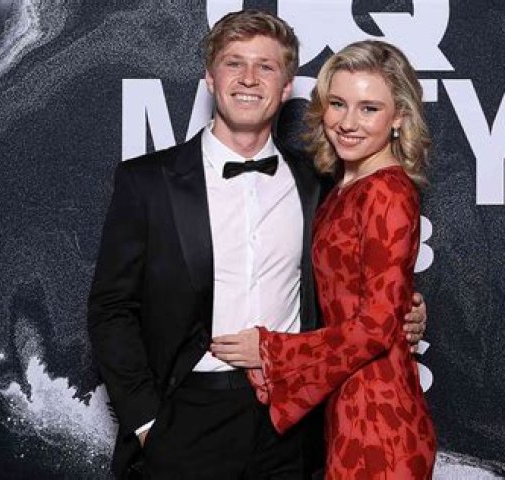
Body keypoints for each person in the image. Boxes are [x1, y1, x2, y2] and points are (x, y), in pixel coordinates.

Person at [87, 10, 427, 480]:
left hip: (293, 422)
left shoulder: (318, 183)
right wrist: (146, 424)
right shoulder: (147, 182)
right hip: (188, 416)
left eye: (265, 66)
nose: (249, 78)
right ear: (210, 78)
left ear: (286, 87)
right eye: (234, 63)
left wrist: (405, 308)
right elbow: (110, 309)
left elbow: (360, 279)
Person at [212, 40, 436, 479]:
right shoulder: (341, 187)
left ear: (399, 118)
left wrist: (271, 350)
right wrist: (402, 303)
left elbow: (375, 327)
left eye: (369, 109)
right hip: (347, 407)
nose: (348, 123)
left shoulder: (387, 191)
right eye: (337, 104)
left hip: (379, 420)